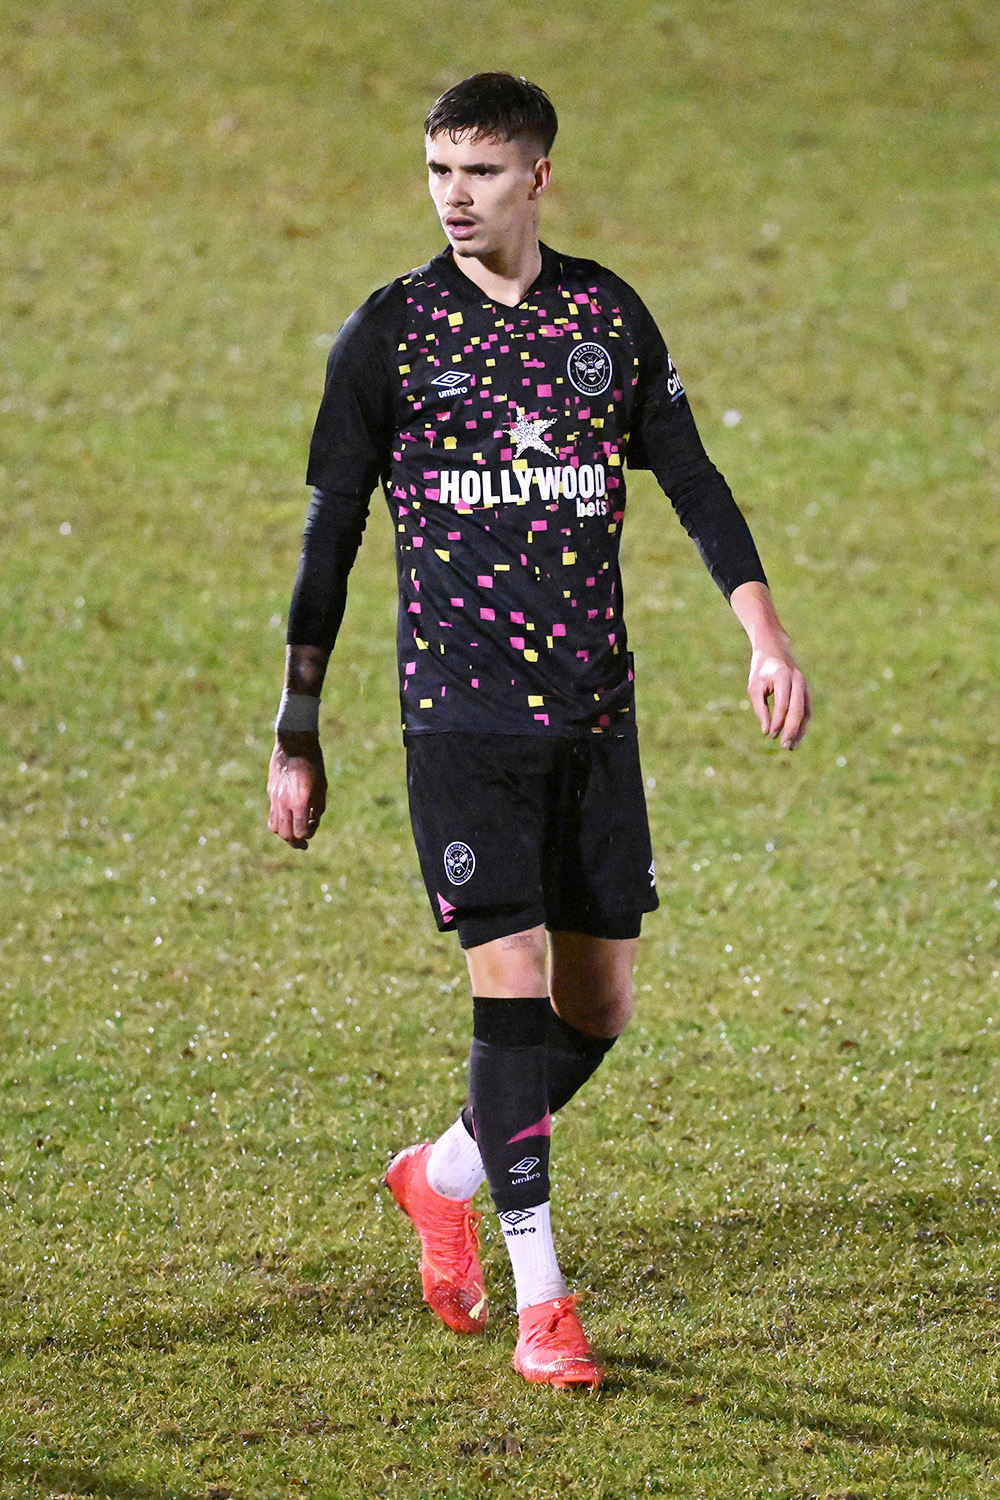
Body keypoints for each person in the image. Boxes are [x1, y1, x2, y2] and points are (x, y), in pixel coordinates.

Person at [267, 72, 811, 1390]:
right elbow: (331, 536)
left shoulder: (603, 321)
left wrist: (763, 630)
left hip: (595, 716)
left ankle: (440, 1175)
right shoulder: (390, 338)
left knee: (599, 1007)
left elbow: (690, 478)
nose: (457, 194)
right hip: (460, 723)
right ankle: (541, 1302)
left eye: (483, 171)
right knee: (506, 994)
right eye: (440, 169)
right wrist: (298, 724)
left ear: (538, 178)